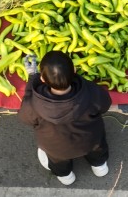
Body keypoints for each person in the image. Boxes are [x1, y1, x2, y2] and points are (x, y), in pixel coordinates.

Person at [18, 51, 112, 186]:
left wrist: (32, 77)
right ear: (74, 69)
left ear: (43, 79)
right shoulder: (91, 91)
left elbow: (25, 119)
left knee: (58, 162)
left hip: (56, 148)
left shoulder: (33, 103)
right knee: (97, 150)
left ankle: (66, 177)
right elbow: (105, 105)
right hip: (90, 140)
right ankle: (100, 167)